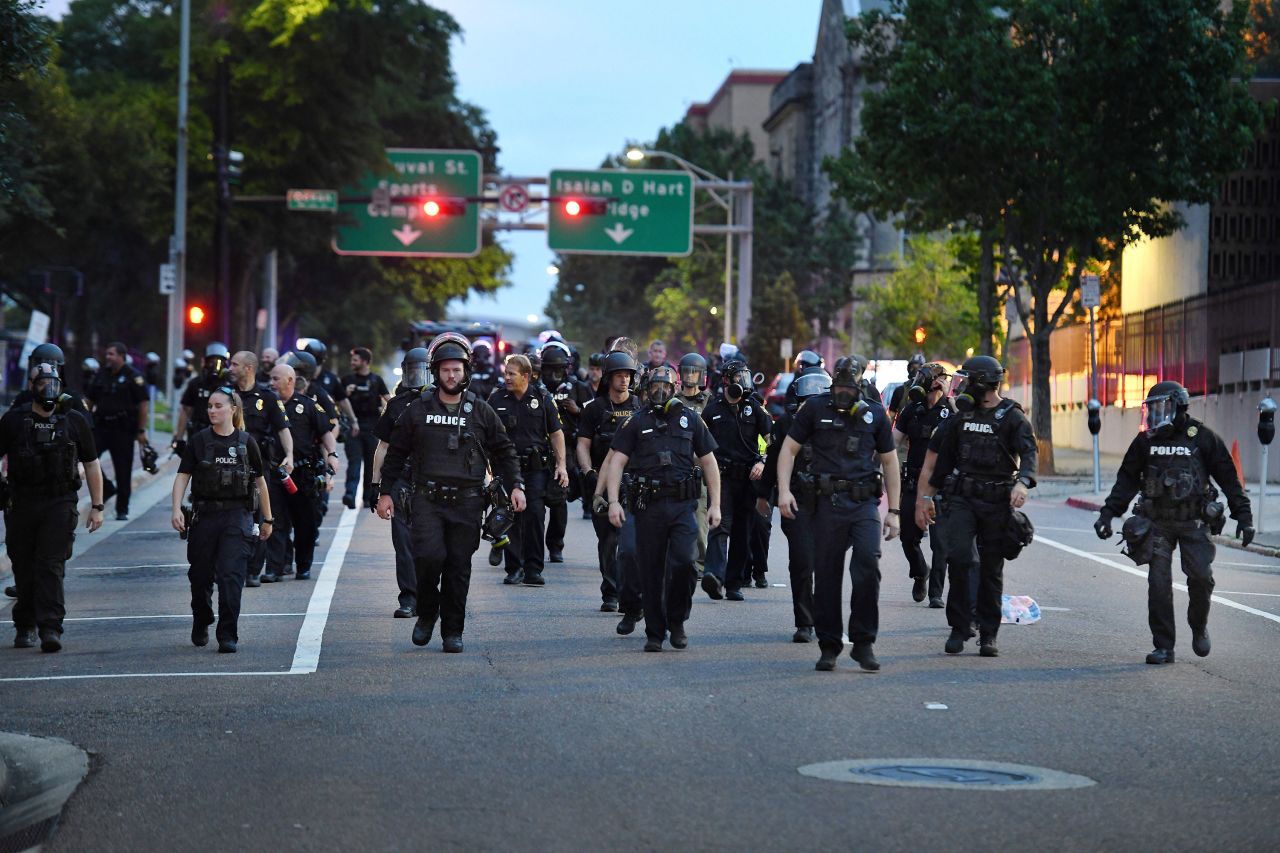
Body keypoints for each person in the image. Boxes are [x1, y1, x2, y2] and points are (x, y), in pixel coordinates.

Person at [376, 332, 525, 653]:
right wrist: (385, 493)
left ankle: (452, 631)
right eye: (445, 370)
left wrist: (516, 485)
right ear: (436, 372)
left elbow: (504, 450)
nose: (451, 375)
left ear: (465, 372)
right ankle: (427, 614)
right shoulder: (417, 410)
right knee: (428, 559)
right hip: (426, 499)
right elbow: (396, 453)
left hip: (468, 502)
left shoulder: (481, 411)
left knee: (458, 567)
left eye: (457, 370)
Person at [1093, 381, 1253, 664]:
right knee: (1158, 583)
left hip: (1194, 522)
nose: (1155, 415)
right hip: (1157, 522)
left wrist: (1244, 516)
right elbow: (1127, 480)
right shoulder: (1146, 441)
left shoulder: (1202, 437)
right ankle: (1164, 646)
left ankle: (1198, 625)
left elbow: (1229, 477)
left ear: (1178, 407)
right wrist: (1107, 513)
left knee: (1202, 579)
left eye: (1161, 407)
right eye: (1151, 409)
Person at [777, 356, 901, 672]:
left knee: (867, 566)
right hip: (826, 505)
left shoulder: (874, 414)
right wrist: (783, 491)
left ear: (860, 387)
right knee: (828, 577)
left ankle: (863, 643)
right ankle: (829, 646)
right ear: (833, 384)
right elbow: (788, 450)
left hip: (863, 506)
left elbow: (889, 462)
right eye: (840, 386)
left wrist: (895, 512)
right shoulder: (814, 409)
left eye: (850, 387)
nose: (844, 392)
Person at [914, 355, 1038, 658]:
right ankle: (959, 627)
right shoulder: (961, 418)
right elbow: (941, 464)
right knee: (959, 558)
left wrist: (1023, 483)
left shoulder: (1011, 416)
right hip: (963, 499)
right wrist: (925, 499)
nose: (963, 386)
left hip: (996, 501)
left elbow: (1029, 452)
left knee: (991, 569)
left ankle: (988, 634)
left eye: (968, 380)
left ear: (982, 384)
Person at [602, 365, 721, 652]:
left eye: (666, 388)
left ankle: (677, 621)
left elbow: (709, 462)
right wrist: (614, 501)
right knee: (651, 571)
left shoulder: (691, 419)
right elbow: (616, 461)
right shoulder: (635, 421)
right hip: (648, 508)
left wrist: (716, 504)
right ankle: (654, 632)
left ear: (674, 389)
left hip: (683, 507)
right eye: (655, 387)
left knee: (684, 563)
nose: (660, 392)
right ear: (646, 389)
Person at [2, 363, 105, 652]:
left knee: (50, 564)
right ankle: (25, 624)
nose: (47, 388)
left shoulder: (74, 421)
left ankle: (50, 627)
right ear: (31, 386)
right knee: (23, 566)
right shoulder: (13, 420)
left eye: (53, 383)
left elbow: (92, 464)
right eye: (41, 382)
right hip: (21, 501)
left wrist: (97, 506)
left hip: (59, 502)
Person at [170, 388, 273, 653]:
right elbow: (183, 475)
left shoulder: (247, 442)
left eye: (218, 406)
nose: (212, 411)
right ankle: (202, 618)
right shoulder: (199, 441)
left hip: (237, 516)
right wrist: (176, 509)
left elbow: (259, 481)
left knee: (231, 576)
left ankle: (228, 633)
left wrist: (268, 519)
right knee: (200, 576)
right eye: (209, 406)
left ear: (232, 410)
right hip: (205, 516)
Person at [757, 367, 831, 643]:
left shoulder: (836, 421)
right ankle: (804, 622)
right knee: (802, 560)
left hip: (829, 502)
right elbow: (775, 458)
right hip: (796, 500)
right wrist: (764, 495)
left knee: (825, 562)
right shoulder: (788, 423)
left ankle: (825, 616)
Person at [486, 354, 567, 586]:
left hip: (536, 469)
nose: (507, 378)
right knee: (511, 516)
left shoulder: (542, 398)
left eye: (512, 374)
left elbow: (556, 433)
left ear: (526, 376)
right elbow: (485, 434)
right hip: (507, 469)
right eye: (505, 373)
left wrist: (561, 466)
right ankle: (514, 568)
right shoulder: (496, 398)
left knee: (534, 516)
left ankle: (533, 568)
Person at [576, 350, 643, 620]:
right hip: (602, 485)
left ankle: (628, 592)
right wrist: (588, 472)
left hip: (634, 482)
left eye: (627, 375)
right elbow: (582, 444)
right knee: (607, 540)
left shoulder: (640, 406)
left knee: (631, 543)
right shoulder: (594, 409)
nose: (624, 380)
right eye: (619, 375)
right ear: (608, 378)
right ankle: (610, 593)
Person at [700, 358, 771, 601]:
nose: (743, 382)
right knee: (719, 526)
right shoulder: (712, 410)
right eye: (738, 377)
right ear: (727, 381)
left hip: (749, 479)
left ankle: (733, 584)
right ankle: (714, 577)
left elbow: (770, 440)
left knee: (743, 531)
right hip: (721, 478)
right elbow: (700, 444)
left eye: (746, 376)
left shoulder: (756, 409)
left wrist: (762, 461)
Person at [370, 347, 431, 619]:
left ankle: (430, 595)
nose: (417, 377)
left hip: (434, 482)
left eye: (422, 371)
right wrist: (375, 485)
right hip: (402, 482)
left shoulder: (444, 401)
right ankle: (408, 598)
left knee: (432, 544)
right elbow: (383, 447)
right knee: (404, 543)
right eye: (412, 371)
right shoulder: (396, 404)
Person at [264, 363, 337, 583]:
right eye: (271, 378)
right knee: (276, 520)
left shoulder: (307, 406)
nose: (272, 382)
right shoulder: (266, 404)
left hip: (302, 473)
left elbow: (325, 433)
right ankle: (276, 567)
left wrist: (332, 455)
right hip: (274, 471)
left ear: (290, 380)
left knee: (305, 522)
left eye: (276, 378)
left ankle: (303, 565)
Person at [229, 351, 294, 587]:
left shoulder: (267, 397)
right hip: (227, 465)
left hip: (258, 466)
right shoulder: (226, 394)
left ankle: (253, 570)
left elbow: (282, 429)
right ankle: (230, 565)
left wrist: (289, 454)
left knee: (258, 517)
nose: (230, 368)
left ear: (248, 368)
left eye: (235, 364)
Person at [893, 362, 952, 607]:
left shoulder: (952, 410)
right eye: (920, 376)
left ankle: (936, 593)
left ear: (938, 381)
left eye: (926, 377)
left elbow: (965, 426)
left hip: (941, 485)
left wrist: (949, 396)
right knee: (907, 537)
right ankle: (920, 571)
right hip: (914, 481)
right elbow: (893, 441)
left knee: (940, 543)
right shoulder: (912, 409)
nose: (921, 381)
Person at [85, 341, 149, 520]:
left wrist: (141, 430)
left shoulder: (133, 376)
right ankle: (107, 488)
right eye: (107, 354)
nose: (108, 357)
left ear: (122, 356)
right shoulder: (101, 375)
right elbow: (90, 400)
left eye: (111, 354)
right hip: (102, 426)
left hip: (123, 429)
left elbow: (143, 404)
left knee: (123, 470)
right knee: (89, 457)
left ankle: (122, 509)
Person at [541, 341, 593, 557]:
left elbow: (593, 418)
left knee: (559, 499)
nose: (555, 374)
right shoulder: (536, 390)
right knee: (535, 503)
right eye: (550, 369)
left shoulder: (578, 387)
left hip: (568, 450)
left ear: (567, 368)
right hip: (540, 449)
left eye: (559, 369)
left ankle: (556, 545)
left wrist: (577, 410)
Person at [677, 352, 713, 576]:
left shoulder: (710, 402)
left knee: (700, 520)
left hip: (701, 469)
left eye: (694, 372)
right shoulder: (672, 401)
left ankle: (701, 564)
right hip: (677, 467)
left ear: (702, 376)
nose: (690, 376)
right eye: (687, 371)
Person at [341, 347, 390, 509]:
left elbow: (389, 400)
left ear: (365, 362)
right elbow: (338, 403)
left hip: (372, 428)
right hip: (353, 427)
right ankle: (350, 494)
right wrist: (346, 394)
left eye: (355, 360)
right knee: (354, 462)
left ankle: (369, 498)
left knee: (371, 463)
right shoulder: (347, 380)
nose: (352, 363)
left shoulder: (376, 380)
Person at [173, 342, 231, 452]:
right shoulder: (196, 383)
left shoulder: (230, 386)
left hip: (223, 436)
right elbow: (185, 411)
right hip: (198, 433)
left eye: (219, 362)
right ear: (204, 362)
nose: (215, 366)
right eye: (211, 362)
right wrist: (179, 438)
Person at [888, 353, 926, 418]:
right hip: (902, 427)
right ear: (908, 369)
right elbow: (891, 414)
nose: (915, 370)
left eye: (918, 368)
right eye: (912, 367)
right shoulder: (900, 391)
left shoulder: (929, 390)